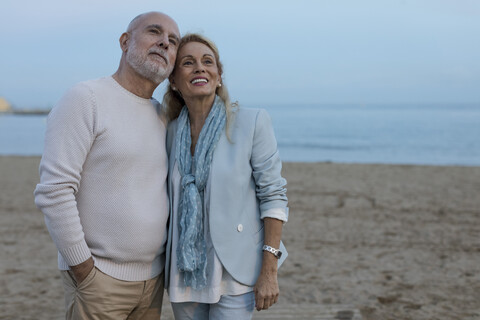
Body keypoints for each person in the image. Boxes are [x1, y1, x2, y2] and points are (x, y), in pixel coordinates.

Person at [34, 12, 180, 319]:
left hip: (153, 283)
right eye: (154, 32)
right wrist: (83, 269)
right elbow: (54, 190)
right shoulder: (86, 98)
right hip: (98, 281)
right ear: (125, 42)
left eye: (173, 41)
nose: (164, 43)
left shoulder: (163, 116)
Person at [163, 33, 289, 320]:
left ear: (218, 75)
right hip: (185, 273)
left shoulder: (251, 122)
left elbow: (274, 196)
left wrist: (269, 270)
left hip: (235, 270)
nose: (199, 68)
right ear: (173, 80)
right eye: (188, 62)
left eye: (208, 62)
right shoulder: (168, 132)